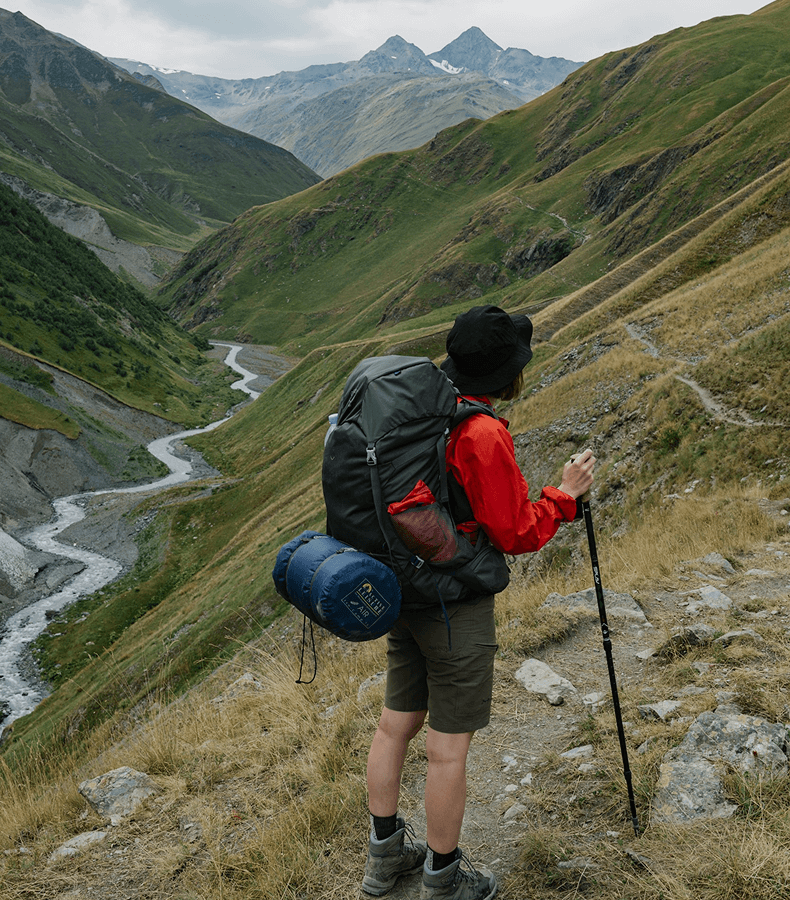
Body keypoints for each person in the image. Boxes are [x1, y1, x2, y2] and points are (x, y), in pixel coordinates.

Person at [361, 305, 595, 900]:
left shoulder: (421, 406)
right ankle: (443, 880)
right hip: (453, 601)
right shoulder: (482, 431)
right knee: (447, 748)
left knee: (395, 726)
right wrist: (564, 496)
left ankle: (384, 861)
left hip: (403, 586)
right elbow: (516, 532)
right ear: (508, 374)